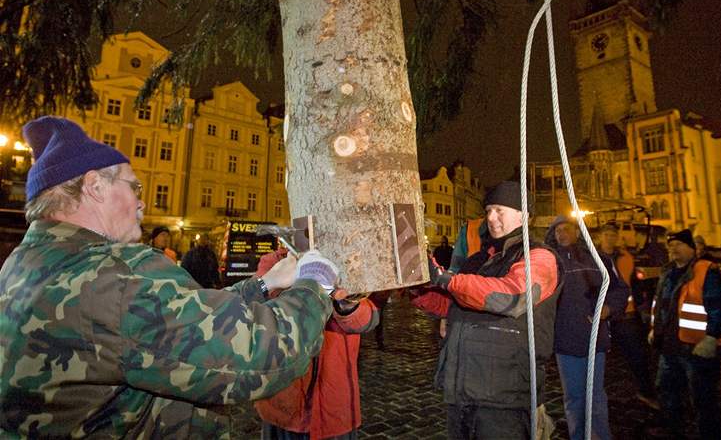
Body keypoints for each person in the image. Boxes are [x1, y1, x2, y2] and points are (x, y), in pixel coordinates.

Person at [0, 116, 338, 437]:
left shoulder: (22, 263)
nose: (141, 204)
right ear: (95, 187)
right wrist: (315, 281)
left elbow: (176, 320)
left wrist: (263, 285)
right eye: (135, 187)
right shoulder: (120, 272)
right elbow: (266, 354)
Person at [411, 181, 560, 439]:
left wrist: (445, 279)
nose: (491, 217)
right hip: (462, 391)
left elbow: (514, 295)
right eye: (488, 210)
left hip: (506, 397)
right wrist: (417, 285)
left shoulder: (539, 256)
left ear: (524, 215)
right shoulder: (477, 259)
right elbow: (453, 303)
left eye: (500, 210)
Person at [254, 249, 379, 440]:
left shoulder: (351, 263)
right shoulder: (276, 261)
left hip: (334, 406)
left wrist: (346, 305)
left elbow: (367, 319)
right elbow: (258, 311)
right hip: (283, 406)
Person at [546, 216, 629, 440]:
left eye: (566, 229)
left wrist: (608, 309)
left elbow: (619, 289)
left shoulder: (596, 258)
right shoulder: (549, 262)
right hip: (564, 340)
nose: (561, 234)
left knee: (595, 396)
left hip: (594, 338)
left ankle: (600, 436)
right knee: (573, 397)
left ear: (577, 232)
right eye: (557, 230)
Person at [648, 229, 721, 439]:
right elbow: (661, 306)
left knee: (703, 400)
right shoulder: (667, 273)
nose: (673, 248)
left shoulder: (706, 271)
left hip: (696, 349)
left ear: (692, 249)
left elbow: (719, 307)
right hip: (669, 347)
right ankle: (674, 430)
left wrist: (712, 337)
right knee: (667, 392)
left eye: (679, 244)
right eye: (671, 245)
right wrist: (654, 329)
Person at [599, 222, 659, 409]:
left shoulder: (626, 257)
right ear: (601, 236)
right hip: (602, 316)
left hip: (626, 315)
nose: (610, 238)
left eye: (613, 235)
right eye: (607, 234)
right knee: (601, 359)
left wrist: (642, 308)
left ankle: (645, 391)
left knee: (637, 356)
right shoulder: (593, 257)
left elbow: (635, 283)